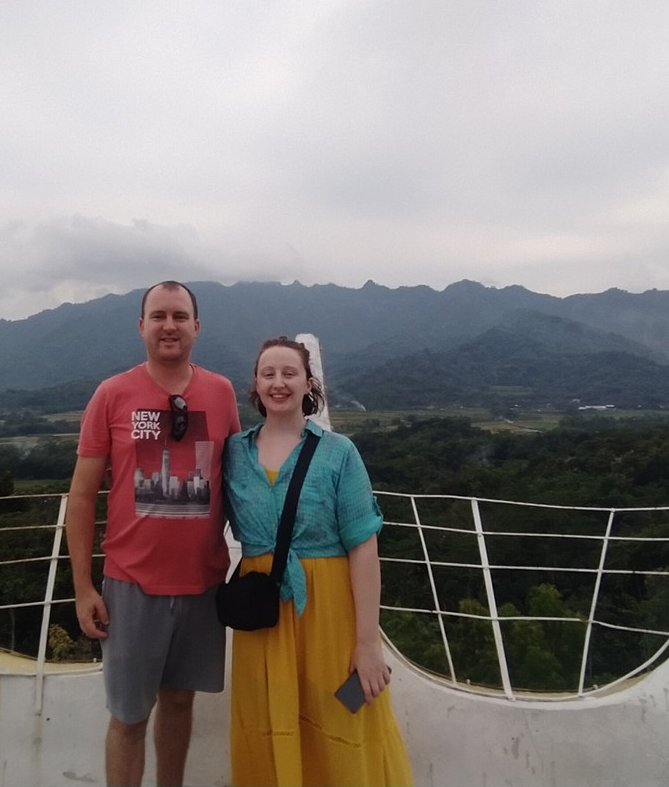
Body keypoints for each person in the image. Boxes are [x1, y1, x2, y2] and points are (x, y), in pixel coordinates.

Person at [65, 280, 241, 787]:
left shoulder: (222, 392)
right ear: (141, 326)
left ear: (196, 327)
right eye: (159, 316)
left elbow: (237, 479)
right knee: (128, 717)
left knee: (180, 701)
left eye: (180, 316)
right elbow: (81, 495)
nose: (170, 326)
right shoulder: (113, 394)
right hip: (131, 584)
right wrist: (83, 587)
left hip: (203, 583)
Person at [223, 336, 413, 786]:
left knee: (340, 714)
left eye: (289, 373)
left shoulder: (338, 453)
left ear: (308, 383)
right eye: (268, 373)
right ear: (255, 384)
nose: (278, 382)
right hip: (263, 615)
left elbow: (363, 547)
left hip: (328, 613)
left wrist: (367, 643)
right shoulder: (234, 453)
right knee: (267, 722)